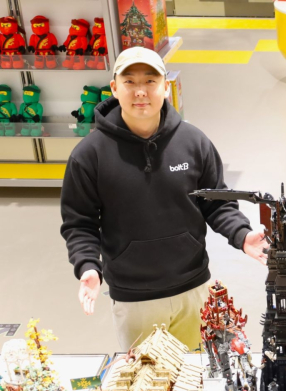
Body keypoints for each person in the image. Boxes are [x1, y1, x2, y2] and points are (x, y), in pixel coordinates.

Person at [60, 47, 267, 351]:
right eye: (129, 82)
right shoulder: (89, 155)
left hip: (194, 288)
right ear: (114, 87)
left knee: (198, 372)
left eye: (150, 81)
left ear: (165, 87)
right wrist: (88, 265)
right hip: (134, 298)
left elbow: (217, 203)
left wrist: (242, 234)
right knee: (145, 379)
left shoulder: (194, 142)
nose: (140, 91)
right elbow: (79, 223)